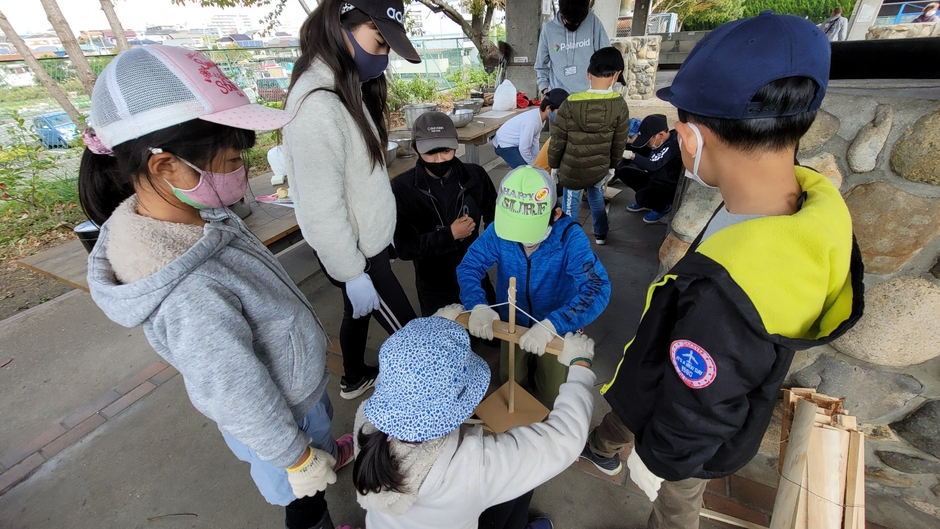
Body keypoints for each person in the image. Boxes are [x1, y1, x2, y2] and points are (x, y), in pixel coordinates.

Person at [578, 12, 864, 529]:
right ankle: (603, 444)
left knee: (679, 496)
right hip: (687, 381)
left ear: (690, 137)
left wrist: (663, 457)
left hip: (688, 423)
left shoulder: (722, 298)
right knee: (634, 405)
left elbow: (697, 409)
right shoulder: (813, 208)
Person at [80, 46, 353, 529]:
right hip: (278, 421)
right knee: (304, 498)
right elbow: (235, 389)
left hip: (297, 393)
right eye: (231, 160)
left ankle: (323, 451)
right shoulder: (189, 290)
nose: (243, 172)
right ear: (166, 166)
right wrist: (295, 457)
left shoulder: (199, 213)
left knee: (318, 448)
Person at [282, 0, 420, 400]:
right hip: (357, 254)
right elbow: (320, 207)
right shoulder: (317, 106)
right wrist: (353, 271)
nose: (382, 58)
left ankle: (354, 375)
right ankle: (435, 413)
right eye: (379, 43)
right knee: (415, 338)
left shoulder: (346, 88)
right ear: (340, 25)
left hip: (366, 245)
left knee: (355, 311)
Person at [352, 316, 597, 529]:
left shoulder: (365, 423)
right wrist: (580, 366)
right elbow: (566, 438)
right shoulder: (472, 467)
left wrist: (441, 323)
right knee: (520, 488)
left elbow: (410, 370)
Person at [457, 166, 610, 407]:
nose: (521, 239)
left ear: (556, 213)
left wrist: (553, 324)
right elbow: (469, 266)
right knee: (511, 383)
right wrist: (477, 304)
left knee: (551, 394)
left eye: (529, 231)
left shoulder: (570, 237)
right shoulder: (499, 230)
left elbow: (597, 287)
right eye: (514, 230)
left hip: (555, 324)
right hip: (512, 322)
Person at [391, 111, 498, 317]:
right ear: (414, 149)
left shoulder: (475, 176)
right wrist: (449, 235)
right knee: (444, 339)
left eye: (447, 151)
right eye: (431, 152)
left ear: (457, 144)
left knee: (491, 334)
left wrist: (489, 249)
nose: (440, 159)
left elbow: (495, 217)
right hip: (433, 283)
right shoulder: (402, 189)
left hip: (475, 274)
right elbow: (404, 248)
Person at [548, 46, 631, 246]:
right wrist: (612, 166)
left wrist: (554, 165)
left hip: (572, 168)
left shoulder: (570, 103)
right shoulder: (619, 105)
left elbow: (558, 138)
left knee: (570, 206)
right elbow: (619, 142)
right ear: (616, 75)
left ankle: (569, 242)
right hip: (599, 167)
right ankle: (601, 234)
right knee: (596, 199)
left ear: (588, 73)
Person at [617, 114, 683, 224]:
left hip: (668, 185)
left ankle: (663, 207)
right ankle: (649, 201)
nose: (647, 144)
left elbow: (653, 164)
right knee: (624, 172)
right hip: (654, 178)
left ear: (660, 135)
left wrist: (632, 156)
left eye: (648, 141)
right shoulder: (661, 141)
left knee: (641, 197)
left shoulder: (673, 145)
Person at [535, 0, 611, 96]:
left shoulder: (593, 22)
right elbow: (540, 65)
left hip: (589, 96)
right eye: (569, 21)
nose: (574, 25)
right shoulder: (548, 30)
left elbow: (607, 58)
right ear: (562, 12)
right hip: (559, 98)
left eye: (578, 22)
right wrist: (545, 90)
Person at [493, 89, 569, 169]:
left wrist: (537, 160)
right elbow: (524, 148)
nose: (561, 116)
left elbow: (534, 141)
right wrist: (533, 165)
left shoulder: (539, 117)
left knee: (534, 167)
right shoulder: (532, 122)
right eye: (559, 112)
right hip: (504, 145)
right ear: (548, 108)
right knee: (525, 171)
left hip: (516, 144)